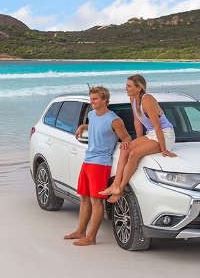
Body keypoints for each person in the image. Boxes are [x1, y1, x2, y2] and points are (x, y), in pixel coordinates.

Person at [64, 86, 132, 246]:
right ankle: (80, 231)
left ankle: (91, 237)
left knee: (96, 201)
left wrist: (125, 151)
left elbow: (127, 138)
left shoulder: (115, 120)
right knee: (84, 198)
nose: (91, 101)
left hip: (101, 163)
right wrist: (83, 126)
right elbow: (96, 126)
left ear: (104, 100)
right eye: (91, 98)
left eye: (95, 99)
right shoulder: (92, 115)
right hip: (88, 160)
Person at [100, 74, 176, 202]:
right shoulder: (133, 99)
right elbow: (137, 121)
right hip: (151, 134)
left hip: (164, 134)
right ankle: (115, 185)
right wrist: (138, 141)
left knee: (134, 153)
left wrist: (164, 149)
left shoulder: (147, 100)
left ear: (139, 88)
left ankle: (121, 188)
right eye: (126, 85)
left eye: (129, 86)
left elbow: (158, 126)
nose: (126, 88)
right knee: (125, 148)